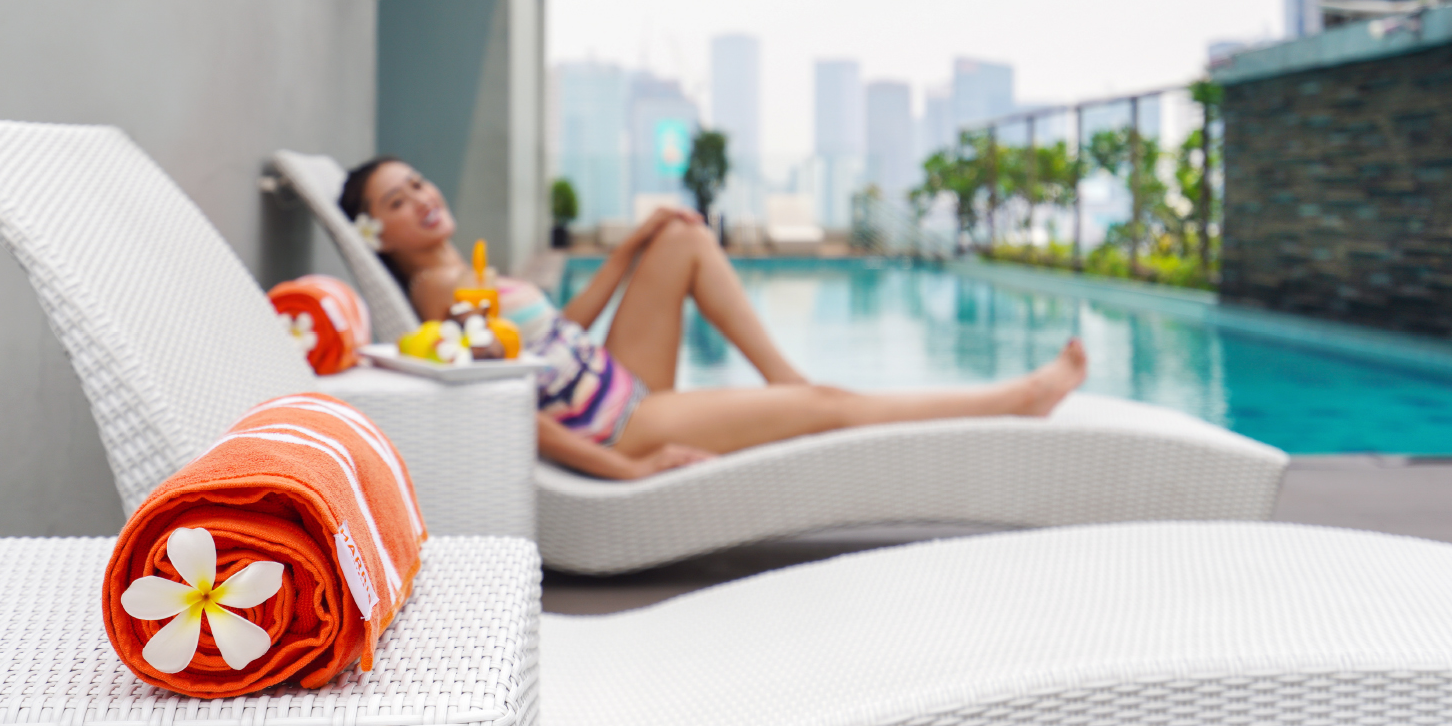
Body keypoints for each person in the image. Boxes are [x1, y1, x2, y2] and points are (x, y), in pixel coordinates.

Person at [341, 157, 1088, 481]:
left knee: (682, 239)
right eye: (396, 202)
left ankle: (787, 383)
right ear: (376, 235)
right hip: (621, 424)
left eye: (418, 184)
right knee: (828, 406)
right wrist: (628, 468)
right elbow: (508, 407)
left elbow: (558, 331)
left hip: (614, 379)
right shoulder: (438, 295)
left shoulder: (464, 275)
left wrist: (635, 243)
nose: (421, 200)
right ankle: (1016, 400)